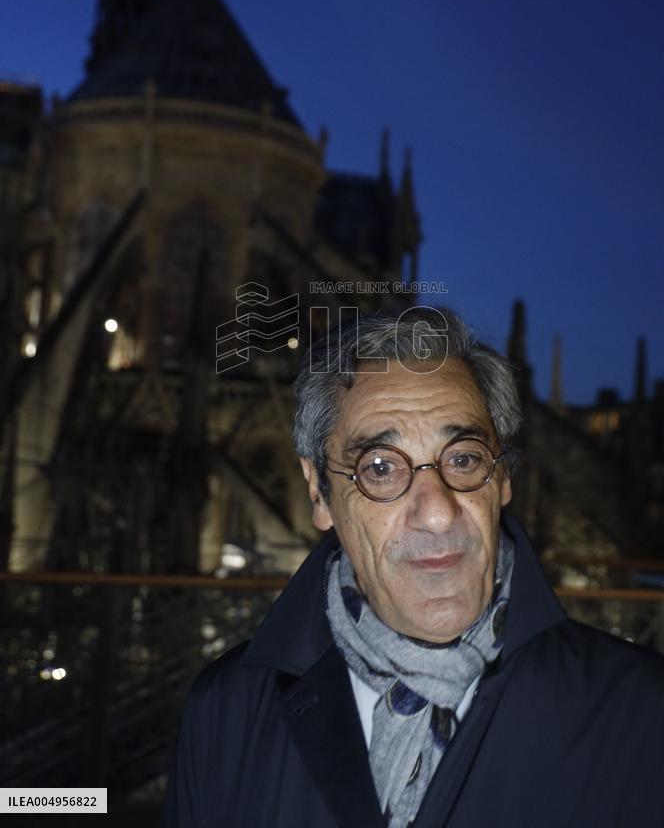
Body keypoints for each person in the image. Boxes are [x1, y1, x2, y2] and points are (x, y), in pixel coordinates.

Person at [163, 308, 664, 828]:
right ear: (319, 491)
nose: (438, 510)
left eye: (464, 459)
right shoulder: (225, 709)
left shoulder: (642, 713)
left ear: (504, 478)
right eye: (380, 468)